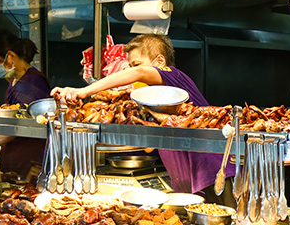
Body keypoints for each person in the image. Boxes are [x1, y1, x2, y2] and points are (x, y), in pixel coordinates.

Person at [53, 34, 233, 199]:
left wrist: (84, 91)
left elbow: (140, 74)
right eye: (129, 66)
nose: (132, 73)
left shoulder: (174, 75)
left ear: (159, 61)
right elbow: (147, 148)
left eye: (136, 64)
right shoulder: (155, 102)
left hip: (216, 175)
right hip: (189, 186)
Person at [0, 28, 51, 180]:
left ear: (10, 56)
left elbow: (15, 127)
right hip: (15, 159)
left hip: (29, 160)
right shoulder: (16, 79)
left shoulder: (31, 84)